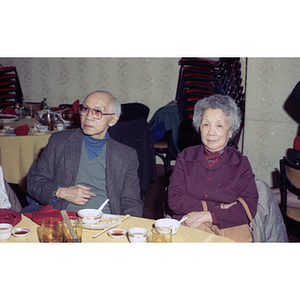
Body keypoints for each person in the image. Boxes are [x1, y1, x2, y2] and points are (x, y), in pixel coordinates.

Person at [25, 91, 143, 217]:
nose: (88, 117)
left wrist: (127, 228)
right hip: (63, 217)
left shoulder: (126, 155)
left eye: (98, 112)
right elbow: (33, 182)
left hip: (107, 221)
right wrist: (60, 192)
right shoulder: (59, 142)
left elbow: (131, 202)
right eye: (85, 109)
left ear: (113, 119)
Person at [168, 94, 258, 230]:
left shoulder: (241, 163)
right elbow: (174, 200)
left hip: (226, 230)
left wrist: (209, 216)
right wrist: (218, 207)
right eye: (206, 124)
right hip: (187, 225)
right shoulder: (185, 157)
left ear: (231, 132)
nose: (211, 132)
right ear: (199, 128)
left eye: (219, 126)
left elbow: (248, 208)